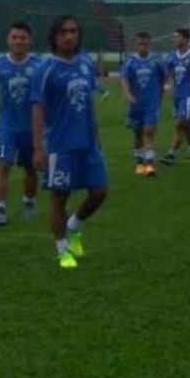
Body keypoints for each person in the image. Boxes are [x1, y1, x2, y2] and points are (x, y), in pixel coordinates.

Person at [30, 15, 108, 269]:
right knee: (59, 197)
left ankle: (74, 226)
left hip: (87, 141)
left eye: (73, 31)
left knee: (99, 191)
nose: (69, 36)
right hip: (60, 145)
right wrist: (38, 148)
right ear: (54, 36)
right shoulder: (45, 68)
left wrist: (96, 134)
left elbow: (89, 102)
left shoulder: (85, 62)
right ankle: (63, 249)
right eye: (63, 32)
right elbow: (37, 109)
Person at [0, 22, 41, 226]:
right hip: (6, 124)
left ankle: (29, 201)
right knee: (3, 164)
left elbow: (47, 96)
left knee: (31, 169)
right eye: (14, 37)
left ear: (29, 40)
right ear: (8, 40)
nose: (18, 41)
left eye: (23, 37)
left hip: (32, 127)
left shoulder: (39, 65)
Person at [120, 32, 166, 177]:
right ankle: (140, 162)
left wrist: (160, 94)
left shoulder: (156, 61)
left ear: (149, 44)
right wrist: (128, 95)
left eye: (145, 44)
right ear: (136, 44)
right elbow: (124, 80)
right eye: (140, 44)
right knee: (138, 134)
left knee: (148, 132)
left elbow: (164, 76)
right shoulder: (130, 61)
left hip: (151, 104)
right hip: (136, 104)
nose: (143, 46)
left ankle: (150, 165)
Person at [162, 28, 190, 164]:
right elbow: (166, 75)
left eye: (178, 37)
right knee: (185, 125)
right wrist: (161, 90)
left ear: (186, 39)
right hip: (176, 95)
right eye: (174, 37)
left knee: (180, 124)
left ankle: (171, 154)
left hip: (188, 96)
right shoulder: (171, 57)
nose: (175, 39)